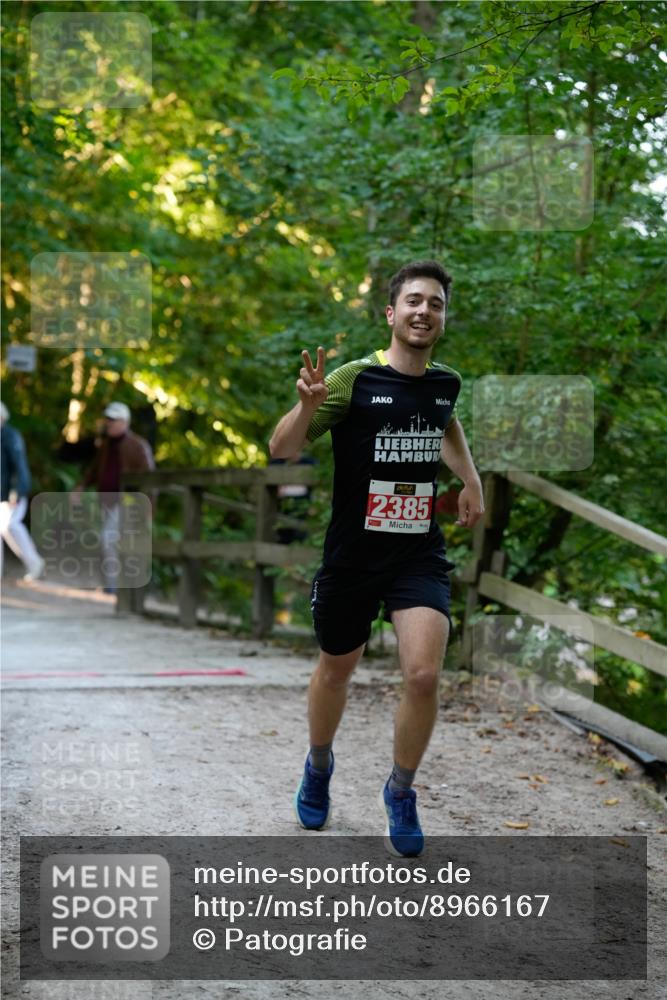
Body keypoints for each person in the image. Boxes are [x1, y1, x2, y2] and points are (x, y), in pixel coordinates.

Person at [269, 260, 484, 857]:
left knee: (423, 674)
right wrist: (307, 406)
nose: (424, 311)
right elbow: (281, 448)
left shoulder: (445, 382)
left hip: (417, 554)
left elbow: (445, 423)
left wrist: (470, 479)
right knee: (336, 669)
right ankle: (318, 766)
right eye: (413, 301)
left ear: (443, 317)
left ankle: (401, 790)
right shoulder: (353, 379)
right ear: (392, 313)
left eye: (435, 303)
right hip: (352, 556)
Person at [72, 401, 154, 593]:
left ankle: (114, 586)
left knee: (109, 538)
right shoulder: (106, 445)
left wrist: (148, 506)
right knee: (113, 541)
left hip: (127, 502)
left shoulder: (138, 446)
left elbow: (150, 480)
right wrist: (81, 486)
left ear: (124, 422)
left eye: (113, 420)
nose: (108, 423)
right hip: (106, 501)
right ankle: (116, 585)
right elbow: (94, 470)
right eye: (107, 419)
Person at [0, 401, 45, 582]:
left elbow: (19, 466)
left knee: (11, 526)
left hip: (11, 493)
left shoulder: (10, 436)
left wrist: (16, 492)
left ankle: (34, 562)